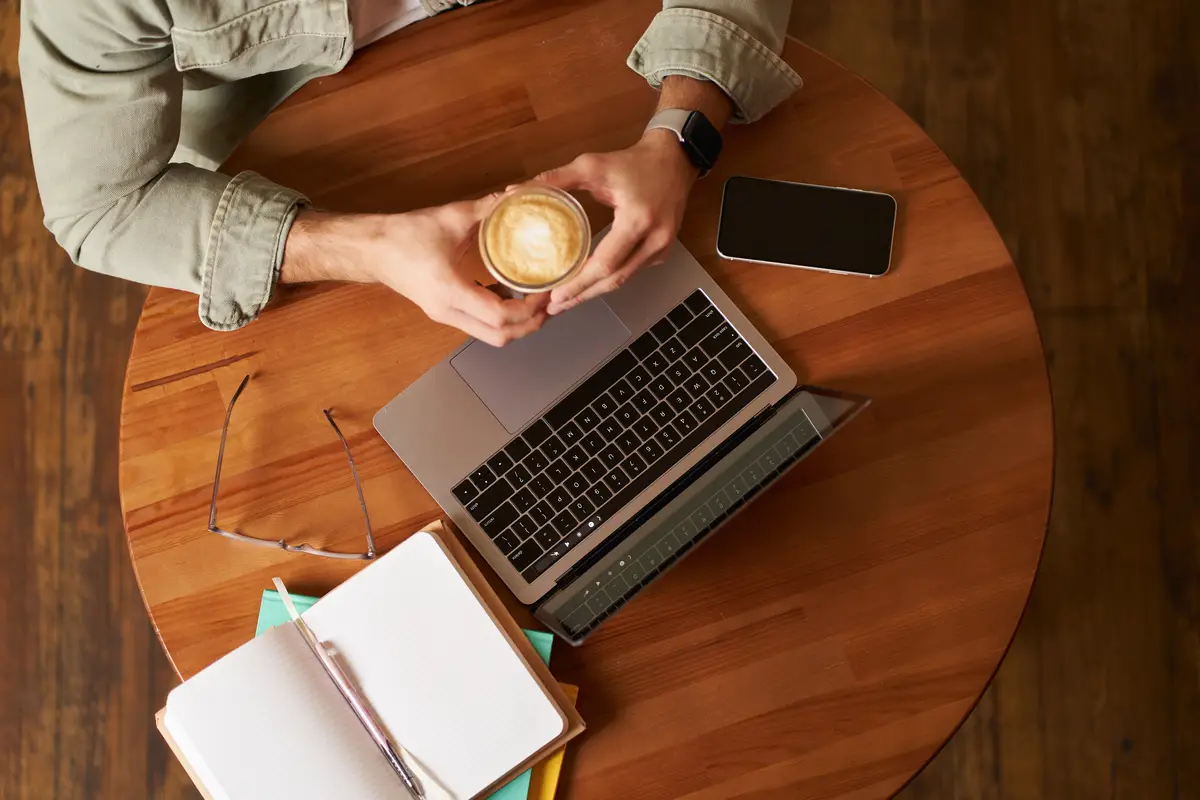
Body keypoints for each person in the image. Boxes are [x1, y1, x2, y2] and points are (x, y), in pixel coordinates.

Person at [19, 0, 800, 346]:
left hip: (562, 57)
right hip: (290, 163)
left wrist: (682, 131)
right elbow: (101, 208)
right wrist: (368, 249)